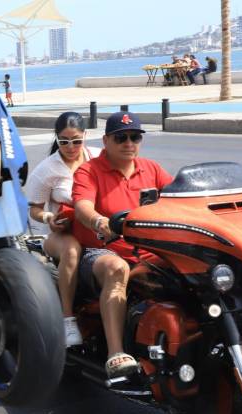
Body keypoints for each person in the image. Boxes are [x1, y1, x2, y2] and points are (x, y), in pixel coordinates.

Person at [71, 112, 173, 378]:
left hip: (148, 251)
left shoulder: (151, 168)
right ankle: (116, 354)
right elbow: (82, 206)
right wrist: (100, 222)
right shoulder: (89, 170)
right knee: (117, 269)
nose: (129, 143)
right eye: (121, 138)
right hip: (101, 250)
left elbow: (180, 196)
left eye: (135, 137)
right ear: (106, 140)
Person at [24, 112, 100, 347]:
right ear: (56, 138)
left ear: (85, 136)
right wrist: (49, 217)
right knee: (72, 249)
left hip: (97, 227)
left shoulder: (98, 158)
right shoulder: (47, 169)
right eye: (64, 141)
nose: (71, 147)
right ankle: (67, 318)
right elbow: (34, 209)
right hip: (62, 234)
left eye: (76, 141)